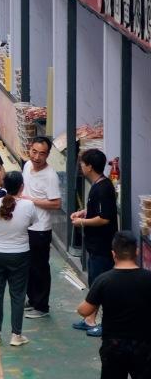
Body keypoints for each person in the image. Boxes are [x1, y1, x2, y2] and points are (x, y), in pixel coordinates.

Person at [76, 231, 151, 377]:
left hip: (114, 345)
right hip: (144, 344)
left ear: (113, 254)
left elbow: (84, 311)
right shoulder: (148, 278)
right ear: (136, 252)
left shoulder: (104, 280)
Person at [0, 171, 35, 347]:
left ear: (4, 186)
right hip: (19, 254)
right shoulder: (28, 205)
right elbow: (32, 223)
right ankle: (16, 334)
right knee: (18, 294)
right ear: (22, 187)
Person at [72, 147, 118, 336]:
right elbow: (97, 211)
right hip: (95, 245)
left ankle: (106, 324)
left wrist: (82, 222)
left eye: (83, 163)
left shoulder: (103, 188)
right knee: (95, 283)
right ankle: (89, 319)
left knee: (101, 284)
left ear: (90, 166)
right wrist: (84, 213)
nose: (81, 166)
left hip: (102, 246)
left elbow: (104, 218)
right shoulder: (98, 185)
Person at [21, 135, 60, 320]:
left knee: (40, 268)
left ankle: (42, 306)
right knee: (28, 266)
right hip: (26, 225)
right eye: (34, 152)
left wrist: (31, 201)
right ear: (30, 149)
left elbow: (56, 203)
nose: (37, 157)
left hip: (41, 229)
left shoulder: (50, 176)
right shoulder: (27, 165)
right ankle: (33, 299)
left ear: (48, 155)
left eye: (42, 154)